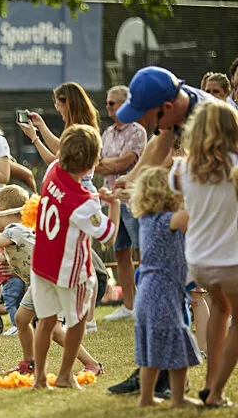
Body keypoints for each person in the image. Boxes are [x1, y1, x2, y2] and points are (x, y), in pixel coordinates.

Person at [107, 66, 217, 396]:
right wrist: (134, 178)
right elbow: (160, 142)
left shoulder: (209, 118)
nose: (142, 121)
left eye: (146, 114)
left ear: (166, 109)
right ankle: (154, 375)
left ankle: (207, 386)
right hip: (197, 209)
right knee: (169, 294)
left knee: (209, 301)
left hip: (217, 213)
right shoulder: (171, 116)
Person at [0, 185, 103, 376]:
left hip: (47, 281)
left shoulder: (14, 231)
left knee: (54, 331)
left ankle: (91, 364)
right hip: (43, 281)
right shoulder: (18, 230)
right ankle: (29, 362)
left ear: (0, 211)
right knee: (22, 319)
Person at [30, 125, 119, 390]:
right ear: (92, 162)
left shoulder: (52, 170)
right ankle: (66, 374)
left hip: (41, 264)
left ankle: (39, 379)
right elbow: (109, 235)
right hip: (70, 271)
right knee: (78, 320)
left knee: (45, 321)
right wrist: (113, 204)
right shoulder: (84, 201)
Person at [169, 102, 238, 408]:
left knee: (220, 310)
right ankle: (216, 391)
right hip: (231, 260)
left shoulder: (182, 168)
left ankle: (210, 381)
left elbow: (177, 197)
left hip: (197, 260)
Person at [129, 167, 201, 407]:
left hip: (147, 293)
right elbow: (188, 217)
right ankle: (178, 399)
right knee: (176, 346)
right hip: (162, 293)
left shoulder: (147, 220)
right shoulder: (164, 220)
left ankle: (146, 398)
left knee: (151, 351)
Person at [95, 85, 147, 321]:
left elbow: (122, 164)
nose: (108, 107)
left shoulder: (137, 131)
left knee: (141, 252)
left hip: (134, 200)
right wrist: (111, 163)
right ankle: (129, 305)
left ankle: (146, 303)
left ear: (126, 104)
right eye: (107, 102)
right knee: (121, 253)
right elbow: (99, 164)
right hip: (113, 202)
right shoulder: (107, 133)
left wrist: (110, 162)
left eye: (112, 103)